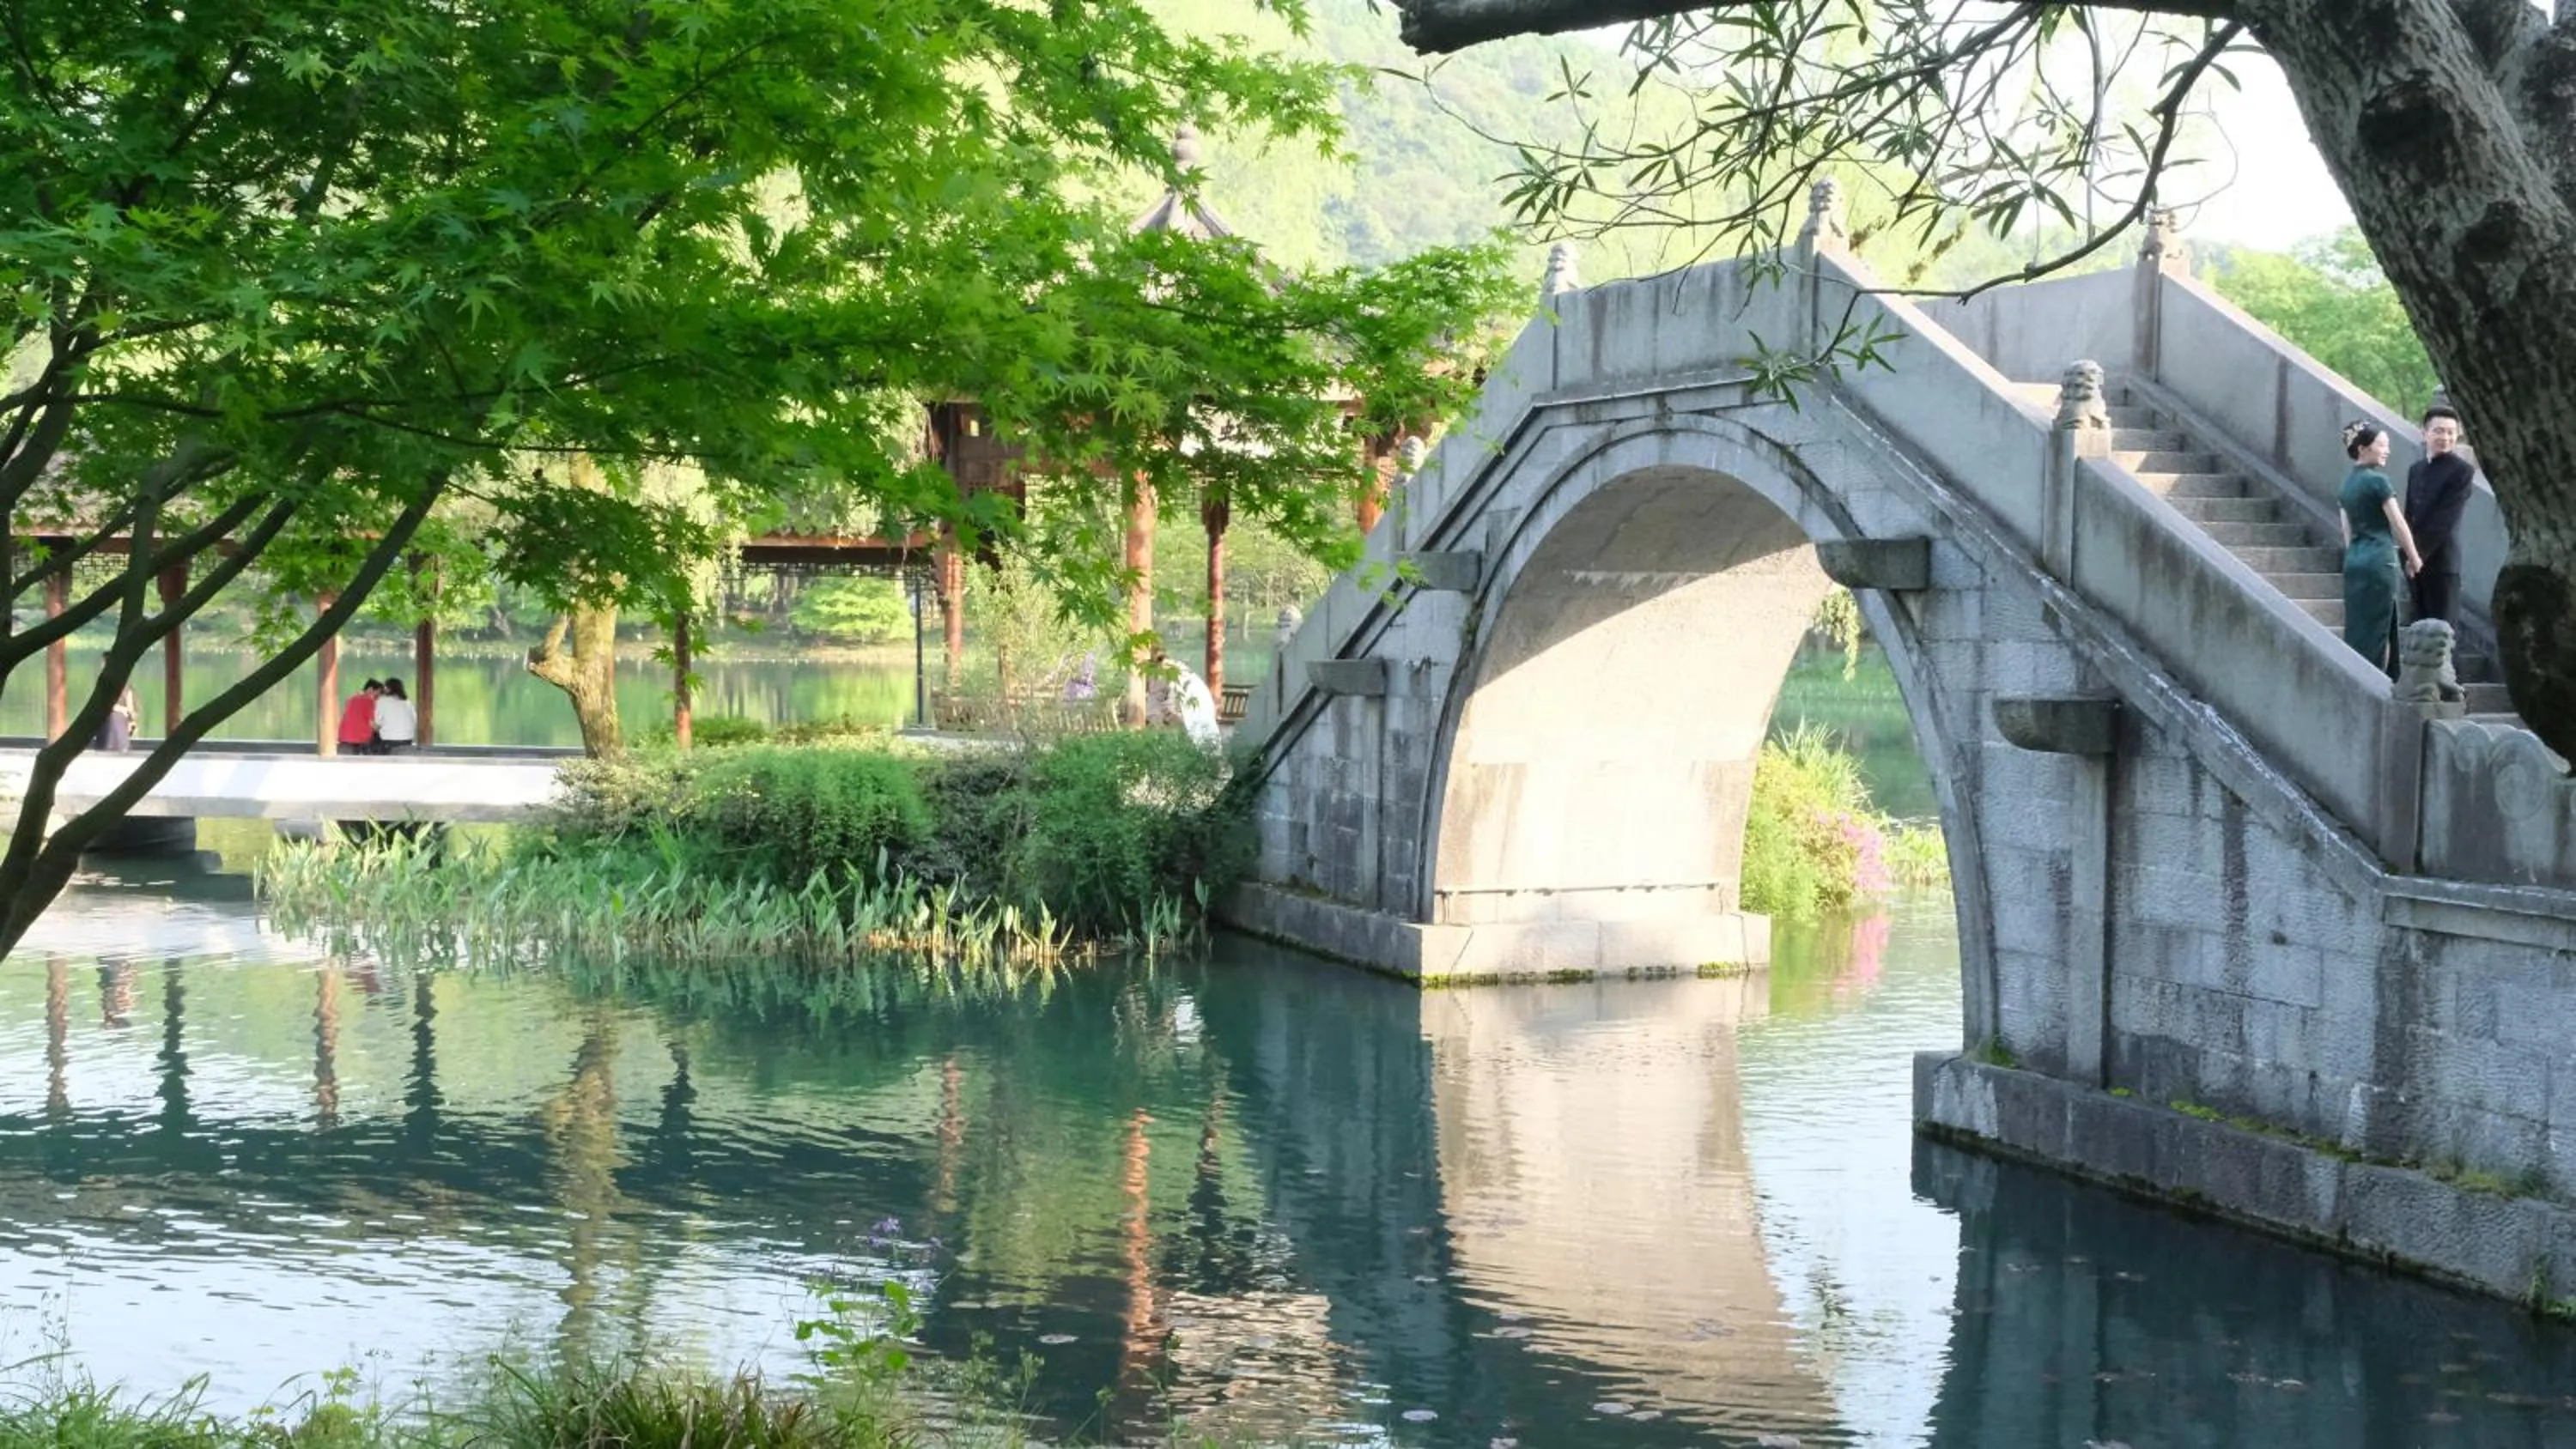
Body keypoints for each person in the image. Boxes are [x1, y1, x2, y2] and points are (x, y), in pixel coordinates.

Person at [2337, 421, 2423, 673]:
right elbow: (2398, 524)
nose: (2387, 451)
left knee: (2358, 627)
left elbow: (2347, 532)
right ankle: (2377, 682)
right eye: (2382, 445)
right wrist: (2414, 557)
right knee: (2381, 628)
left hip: (2355, 562)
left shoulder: (2345, 485)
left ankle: (2355, 675)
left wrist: (2354, 555)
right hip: (2380, 560)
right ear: (2363, 449)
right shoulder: (2378, 482)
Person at [2403, 404, 2475, 629]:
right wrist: (2407, 551)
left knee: (2441, 631)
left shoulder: (2462, 471)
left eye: (2451, 432)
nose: (2445, 437)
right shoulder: (2416, 469)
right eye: (2439, 431)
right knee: (2418, 627)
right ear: (2425, 433)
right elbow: (2409, 514)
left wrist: (2417, 555)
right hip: (2413, 560)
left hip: (2442, 562)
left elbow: (2445, 521)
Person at [337, 679, 382, 755]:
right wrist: (381, 728)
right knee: (378, 738)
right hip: (360, 740)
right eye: (378, 692)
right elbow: (371, 723)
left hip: (344, 737)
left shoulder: (350, 698)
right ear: (370, 689)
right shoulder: (369, 700)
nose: (379, 696)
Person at [374, 676, 418, 753]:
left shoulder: (382, 701)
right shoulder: (408, 702)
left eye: (385, 688)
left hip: (390, 742)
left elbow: (377, 724)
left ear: (388, 689)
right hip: (408, 741)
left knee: (373, 741)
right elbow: (415, 721)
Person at [94, 685, 137, 751]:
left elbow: (131, 714)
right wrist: (121, 709)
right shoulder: (127, 690)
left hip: (107, 740)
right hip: (118, 741)